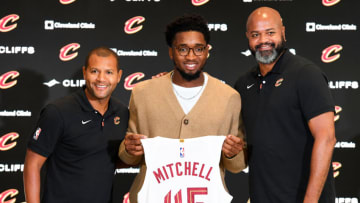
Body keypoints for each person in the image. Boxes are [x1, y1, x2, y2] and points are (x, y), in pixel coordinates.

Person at [118, 14, 246, 203]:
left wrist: (233, 153)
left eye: (198, 49)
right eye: (183, 49)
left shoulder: (229, 97)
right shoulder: (143, 93)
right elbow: (129, 155)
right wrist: (129, 149)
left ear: (207, 50)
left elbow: (237, 165)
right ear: (171, 52)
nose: (191, 56)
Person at [234, 7, 336, 203]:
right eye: (256, 34)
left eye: (270, 32)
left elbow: (327, 138)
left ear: (283, 32)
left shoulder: (306, 74)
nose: (263, 40)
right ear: (248, 37)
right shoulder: (243, 83)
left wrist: (310, 200)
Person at [23, 47, 129, 203]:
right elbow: (32, 164)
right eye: (94, 71)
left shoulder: (122, 112)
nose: (101, 79)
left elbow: (111, 160)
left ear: (119, 76)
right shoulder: (58, 112)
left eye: (109, 72)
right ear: (85, 72)